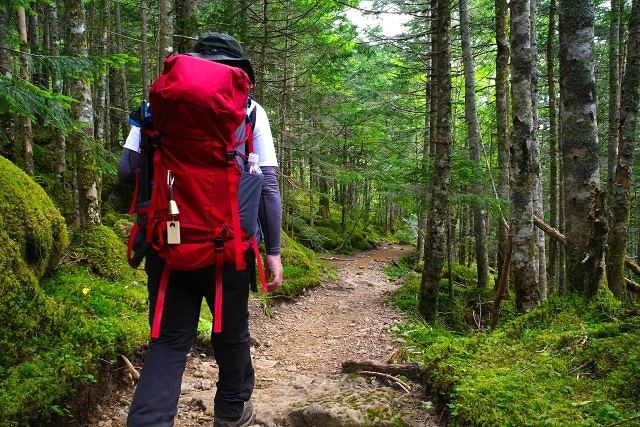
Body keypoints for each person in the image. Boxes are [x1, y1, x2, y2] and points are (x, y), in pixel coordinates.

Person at [118, 33, 283, 427]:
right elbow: (269, 187)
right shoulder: (251, 112)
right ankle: (230, 414)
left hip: (168, 239)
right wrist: (273, 250)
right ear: (238, 69)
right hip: (228, 248)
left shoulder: (156, 107)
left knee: (169, 341)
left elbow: (126, 170)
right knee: (231, 333)